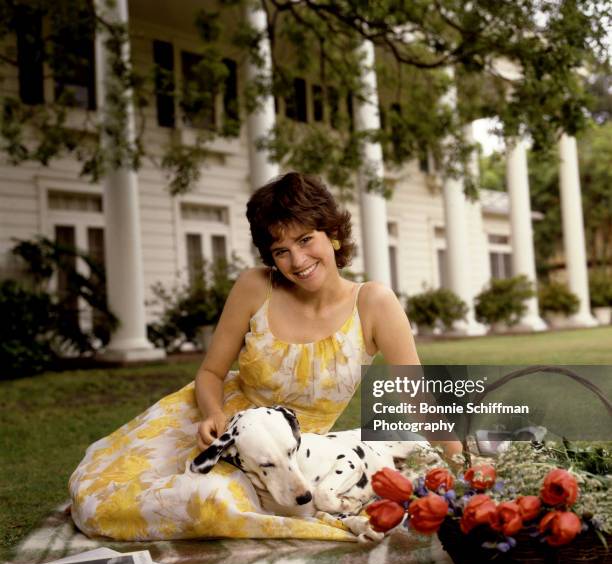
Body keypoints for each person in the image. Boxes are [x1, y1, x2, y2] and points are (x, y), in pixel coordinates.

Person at [69, 172, 461, 541]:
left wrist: (460, 467)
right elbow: (210, 371)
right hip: (214, 422)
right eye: (281, 250)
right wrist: (211, 413)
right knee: (99, 497)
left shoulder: (374, 303)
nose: (297, 261)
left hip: (285, 454)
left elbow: (417, 397)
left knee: (210, 501)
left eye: (306, 239)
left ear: (333, 234)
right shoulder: (255, 287)